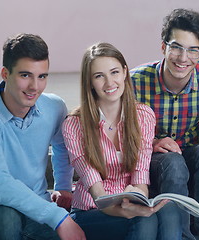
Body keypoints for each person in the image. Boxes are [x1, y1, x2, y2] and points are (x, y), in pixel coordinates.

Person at [0, 33, 85, 240]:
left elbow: (62, 146)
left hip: (36, 213)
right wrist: (58, 217)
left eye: (42, 76)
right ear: (5, 73)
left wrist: (63, 186)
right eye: (25, 75)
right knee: (6, 217)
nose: (34, 87)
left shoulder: (54, 106)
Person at [62, 42, 182, 240]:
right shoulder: (74, 125)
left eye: (114, 72)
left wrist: (138, 201)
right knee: (144, 219)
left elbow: (140, 178)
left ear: (125, 72)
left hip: (129, 203)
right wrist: (126, 211)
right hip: (91, 211)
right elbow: (98, 194)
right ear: (89, 82)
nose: (110, 83)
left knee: (169, 211)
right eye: (99, 76)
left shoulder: (143, 115)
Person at [130, 8, 199, 240]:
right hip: (155, 159)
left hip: (194, 153)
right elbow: (120, 131)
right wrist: (152, 142)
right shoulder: (136, 81)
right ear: (163, 47)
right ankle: (180, 236)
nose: (183, 58)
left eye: (192, 50)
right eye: (176, 47)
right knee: (173, 163)